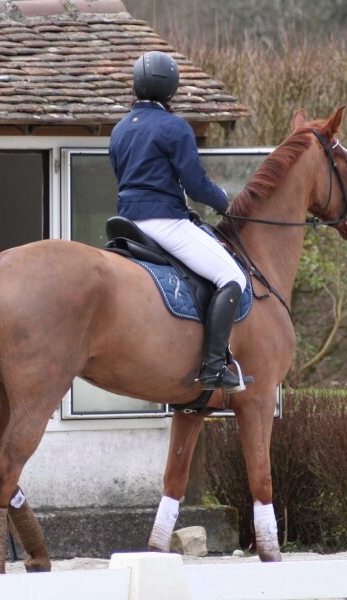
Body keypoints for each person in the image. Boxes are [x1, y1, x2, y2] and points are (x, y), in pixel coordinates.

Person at [108, 50, 252, 392]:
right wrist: (223, 201)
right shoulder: (175, 127)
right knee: (232, 276)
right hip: (163, 222)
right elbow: (195, 184)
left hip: (127, 222)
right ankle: (214, 367)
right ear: (171, 88)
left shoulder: (119, 129)